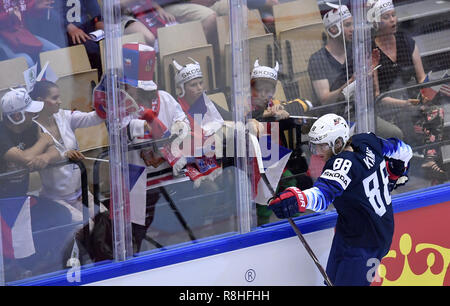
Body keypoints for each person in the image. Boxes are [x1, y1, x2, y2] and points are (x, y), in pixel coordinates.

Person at [267, 113, 412, 286]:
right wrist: (397, 171)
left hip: (367, 242)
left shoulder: (343, 164)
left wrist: (298, 199)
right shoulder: (366, 141)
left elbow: (323, 196)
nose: (318, 152)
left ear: (338, 143)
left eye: (322, 146)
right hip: (351, 231)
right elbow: (404, 150)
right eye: (315, 146)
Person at [368, 0, 446, 182]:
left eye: (393, 15)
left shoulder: (407, 41)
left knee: (436, 111)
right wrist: (404, 104)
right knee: (413, 123)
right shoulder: (371, 50)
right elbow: (376, 96)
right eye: (386, 17)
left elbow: (421, 78)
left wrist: (428, 94)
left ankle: (430, 160)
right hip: (387, 107)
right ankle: (408, 169)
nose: (393, 20)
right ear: (375, 22)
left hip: (411, 101)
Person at [0, 87, 74, 280]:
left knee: (62, 216)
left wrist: (46, 158)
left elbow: (58, 150)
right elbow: (24, 158)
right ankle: (20, 268)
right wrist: (45, 141)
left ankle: (42, 263)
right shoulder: (2, 134)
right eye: (29, 110)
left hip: (21, 201)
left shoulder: (30, 128)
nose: (34, 113)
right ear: (16, 115)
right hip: (3, 205)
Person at [307, 3, 403, 140]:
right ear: (333, 29)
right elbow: (324, 99)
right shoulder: (318, 60)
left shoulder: (356, 51)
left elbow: (372, 93)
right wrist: (350, 82)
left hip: (358, 114)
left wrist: (370, 73)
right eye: (347, 25)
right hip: (332, 121)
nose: (353, 29)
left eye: (352, 24)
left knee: (395, 134)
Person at [29, 80, 104, 213]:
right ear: (40, 101)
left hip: (82, 193)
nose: (60, 101)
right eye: (54, 98)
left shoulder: (63, 115)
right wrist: (65, 155)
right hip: (56, 200)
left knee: (105, 224)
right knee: (86, 230)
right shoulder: (31, 129)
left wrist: (105, 103)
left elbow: (93, 118)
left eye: (59, 96)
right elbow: (39, 159)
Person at [0, 0, 60, 67]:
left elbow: (29, 10)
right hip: (3, 39)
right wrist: (9, 14)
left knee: (57, 52)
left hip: (22, 35)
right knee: (27, 61)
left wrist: (36, 7)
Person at [62, 0, 104, 75]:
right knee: (92, 49)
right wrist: (67, 25)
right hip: (64, 33)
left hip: (86, 30)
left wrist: (98, 22)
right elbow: (51, 11)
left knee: (107, 44)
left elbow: (95, 12)